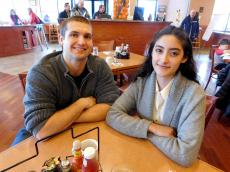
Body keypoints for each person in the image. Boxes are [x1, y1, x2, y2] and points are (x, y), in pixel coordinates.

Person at [106, 25, 205, 167]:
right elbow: (112, 115)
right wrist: (152, 128)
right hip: (140, 156)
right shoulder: (141, 82)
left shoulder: (194, 94)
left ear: (184, 58)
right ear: (151, 52)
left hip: (173, 165)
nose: (163, 59)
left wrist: (142, 129)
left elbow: (186, 155)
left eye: (174, 53)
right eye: (159, 50)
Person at [12, 16, 120, 145]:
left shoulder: (100, 66)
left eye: (87, 36)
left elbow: (111, 107)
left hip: (85, 132)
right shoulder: (41, 72)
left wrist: (65, 119)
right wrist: (82, 104)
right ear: (61, 39)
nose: (82, 42)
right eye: (74, 35)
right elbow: (41, 129)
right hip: (39, 140)